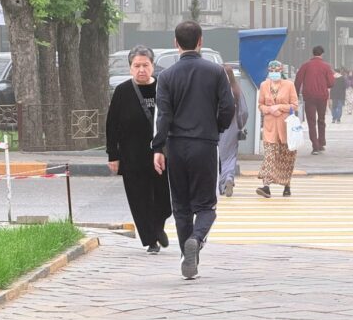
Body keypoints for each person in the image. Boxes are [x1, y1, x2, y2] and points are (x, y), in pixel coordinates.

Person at [152, 21, 235, 280]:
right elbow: (228, 108)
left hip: (176, 146)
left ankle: (187, 259)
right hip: (205, 145)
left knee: (181, 207)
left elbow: (163, 115)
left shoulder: (166, 76)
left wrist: (158, 147)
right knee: (206, 206)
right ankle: (196, 241)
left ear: (175, 43)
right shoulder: (216, 72)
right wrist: (216, 127)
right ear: (200, 41)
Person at [106, 46, 172, 255]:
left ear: (153, 66)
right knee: (139, 199)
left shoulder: (163, 88)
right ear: (130, 68)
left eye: (145, 65)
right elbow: (111, 125)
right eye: (137, 66)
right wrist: (113, 155)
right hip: (132, 156)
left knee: (163, 198)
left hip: (160, 155)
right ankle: (151, 239)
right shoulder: (123, 92)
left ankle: (158, 225)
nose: (141, 70)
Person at [256, 60, 299, 198]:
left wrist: (280, 107)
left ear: (281, 71)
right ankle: (266, 186)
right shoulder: (264, 85)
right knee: (269, 156)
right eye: (272, 71)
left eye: (277, 71)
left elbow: (294, 105)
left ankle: (287, 185)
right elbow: (260, 105)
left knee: (286, 157)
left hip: (286, 128)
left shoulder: (289, 85)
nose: (274, 73)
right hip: (269, 128)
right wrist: (269, 109)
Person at [294, 45, 335, 155]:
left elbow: (298, 81)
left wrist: (296, 94)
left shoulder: (305, 66)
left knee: (311, 122)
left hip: (309, 97)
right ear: (322, 54)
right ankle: (321, 143)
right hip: (322, 97)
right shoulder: (326, 66)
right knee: (321, 120)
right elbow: (331, 83)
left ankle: (315, 146)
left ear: (313, 53)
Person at [218, 64, 249, 198]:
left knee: (216, 156)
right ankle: (228, 178)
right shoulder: (235, 90)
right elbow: (244, 111)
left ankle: (219, 183)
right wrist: (240, 125)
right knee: (230, 156)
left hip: (213, 126)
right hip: (231, 127)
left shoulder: (212, 89)